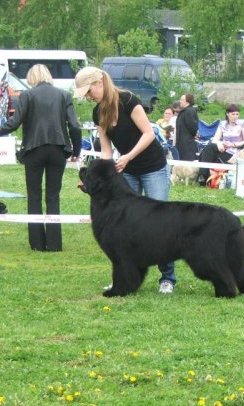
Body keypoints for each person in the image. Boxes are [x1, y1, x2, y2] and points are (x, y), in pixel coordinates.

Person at [74, 66, 176, 293]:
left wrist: (128, 156)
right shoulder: (97, 112)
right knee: (123, 227)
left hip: (153, 168)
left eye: (89, 92)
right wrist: (95, 177)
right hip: (126, 170)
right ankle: (124, 279)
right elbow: (106, 152)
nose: (89, 97)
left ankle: (167, 278)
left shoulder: (129, 101)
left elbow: (149, 134)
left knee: (159, 223)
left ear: (99, 82)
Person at [0, 64, 81, 252]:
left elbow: (14, 123)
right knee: (53, 197)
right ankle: (55, 244)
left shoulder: (27, 96)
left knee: (34, 196)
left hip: (33, 150)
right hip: (58, 149)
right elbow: (75, 126)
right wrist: (76, 151)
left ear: (32, 78)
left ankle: (37, 244)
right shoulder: (64, 95)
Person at [198, 103, 244, 183]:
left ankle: (203, 176)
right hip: (224, 150)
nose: (235, 116)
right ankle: (203, 176)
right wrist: (219, 144)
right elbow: (215, 139)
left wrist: (232, 145)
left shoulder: (242, 123)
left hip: (235, 154)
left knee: (206, 151)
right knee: (209, 148)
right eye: (233, 114)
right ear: (227, 114)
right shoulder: (222, 124)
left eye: (237, 114)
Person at [175, 93, 199, 161]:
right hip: (181, 142)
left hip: (187, 144)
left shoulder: (190, 111)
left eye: (182, 100)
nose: (180, 101)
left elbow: (192, 127)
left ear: (188, 102)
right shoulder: (183, 111)